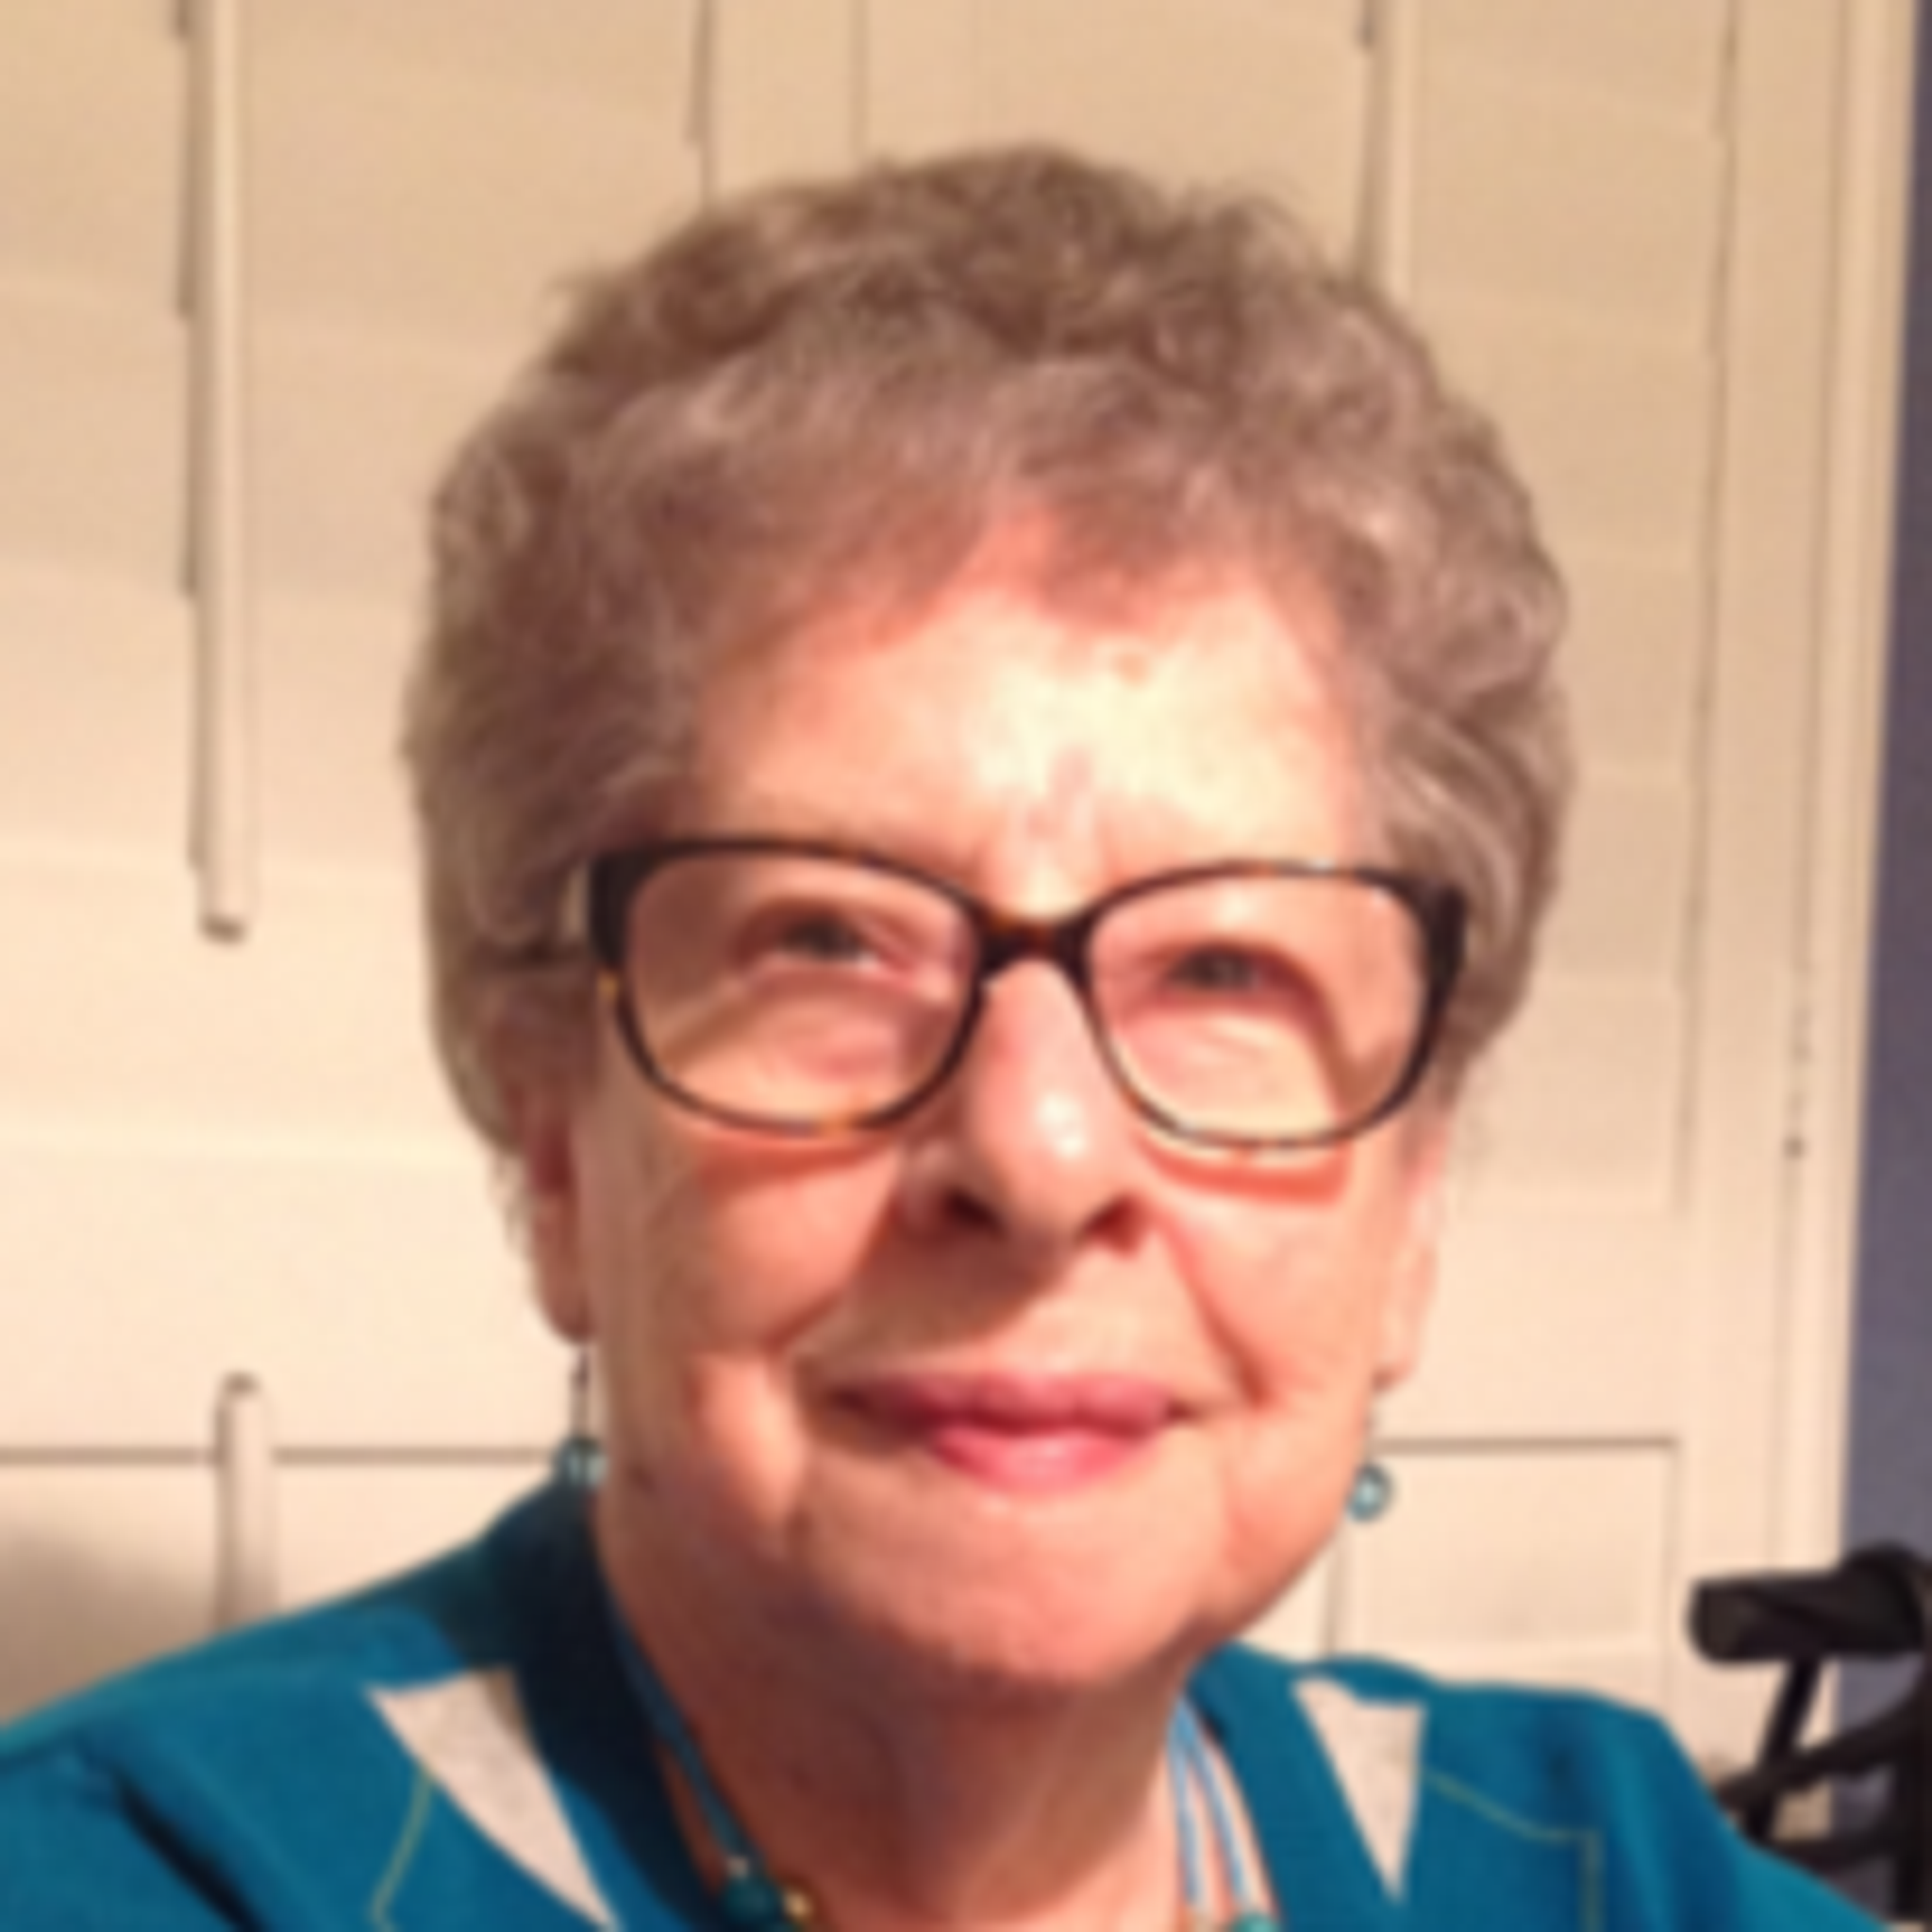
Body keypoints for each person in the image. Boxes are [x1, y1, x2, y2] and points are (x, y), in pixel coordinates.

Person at [0, 147, 1874, 1929]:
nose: (1040, 1155)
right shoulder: (156, 1877)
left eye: (1225, 971)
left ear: (1414, 1205)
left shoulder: (1601, 1865)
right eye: (827, 939)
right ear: (558, 1148)